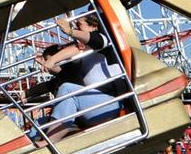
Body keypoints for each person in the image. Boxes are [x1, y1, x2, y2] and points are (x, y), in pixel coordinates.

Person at [20, 14, 125, 143]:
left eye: (79, 25)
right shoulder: (84, 51)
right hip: (92, 106)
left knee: (67, 88)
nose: (76, 28)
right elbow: (64, 67)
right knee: (40, 123)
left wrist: (70, 31)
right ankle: (25, 149)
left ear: (93, 27)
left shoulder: (104, 41)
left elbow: (96, 40)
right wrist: (49, 62)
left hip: (110, 104)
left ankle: (49, 142)